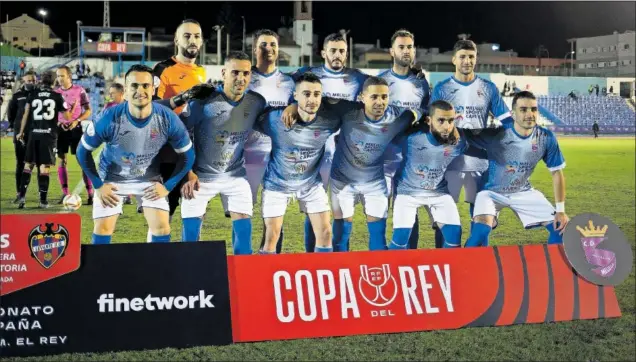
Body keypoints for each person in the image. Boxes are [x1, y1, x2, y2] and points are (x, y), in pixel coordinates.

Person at [76, 64, 195, 245]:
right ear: (125, 90)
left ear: (153, 88)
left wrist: (168, 186)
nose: (140, 90)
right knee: (103, 229)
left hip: (148, 178)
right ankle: (101, 271)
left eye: (145, 86)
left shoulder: (167, 118)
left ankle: (156, 271)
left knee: (162, 228)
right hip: (112, 178)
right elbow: (82, 151)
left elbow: (188, 155)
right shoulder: (108, 118)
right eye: (134, 86)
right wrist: (99, 185)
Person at [164, 51, 267, 255]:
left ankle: (241, 275)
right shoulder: (204, 101)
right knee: (190, 239)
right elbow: (178, 135)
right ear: (224, 73)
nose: (241, 78)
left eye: (246, 73)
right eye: (235, 72)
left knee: (244, 238)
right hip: (199, 177)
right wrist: (187, 172)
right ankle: (191, 275)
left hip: (236, 176)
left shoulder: (256, 102)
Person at [290, 33, 368, 252]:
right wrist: (291, 106)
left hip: (345, 153)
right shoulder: (309, 73)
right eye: (332, 50)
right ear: (324, 53)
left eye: (342, 51)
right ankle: (310, 257)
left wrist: (417, 75)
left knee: (342, 208)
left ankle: (340, 259)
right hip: (315, 152)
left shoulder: (358, 78)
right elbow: (282, 82)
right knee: (314, 207)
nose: (337, 55)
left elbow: (383, 86)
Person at [325, 76, 421, 252]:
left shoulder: (397, 117)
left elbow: (416, 113)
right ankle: (342, 273)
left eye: (384, 97)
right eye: (374, 97)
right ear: (362, 97)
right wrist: (293, 107)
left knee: (378, 237)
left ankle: (379, 274)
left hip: (374, 183)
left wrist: (419, 115)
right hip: (342, 182)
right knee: (340, 238)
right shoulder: (348, 110)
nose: (380, 102)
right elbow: (321, 101)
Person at [430, 39, 510, 247]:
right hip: (448, 162)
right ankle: (444, 260)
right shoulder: (442, 88)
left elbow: (507, 121)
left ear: (476, 59)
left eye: (471, 57)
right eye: (463, 56)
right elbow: (431, 124)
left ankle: (478, 261)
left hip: (480, 162)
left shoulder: (488, 88)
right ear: (454, 59)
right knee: (444, 217)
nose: (467, 61)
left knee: (481, 215)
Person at [464, 91, 569, 247]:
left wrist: (560, 210)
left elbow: (557, 173)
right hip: (491, 192)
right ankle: (463, 266)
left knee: (561, 229)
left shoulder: (545, 138)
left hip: (522, 191)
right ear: (513, 114)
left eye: (533, 109)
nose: (529, 114)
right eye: (523, 109)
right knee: (480, 232)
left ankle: (551, 268)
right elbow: (461, 136)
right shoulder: (497, 135)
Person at [257, 72, 340, 254]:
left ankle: (320, 276)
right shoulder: (275, 119)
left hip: (310, 183)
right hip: (277, 183)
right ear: (295, 95)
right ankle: (263, 278)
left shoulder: (330, 121)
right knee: (272, 235)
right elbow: (249, 117)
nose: (312, 99)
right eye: (306, 94)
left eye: (317, 94)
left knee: (326, 233)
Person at [150, 19, 206, 230]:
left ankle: (188, 258)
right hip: (168, 152)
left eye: (197, 36)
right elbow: (153, 107)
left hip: (193, 152)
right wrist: (182, 99)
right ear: (176, 40)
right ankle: (157, 258)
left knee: (194, 210)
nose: (192, 40)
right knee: (164, 215)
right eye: (187, 36)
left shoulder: (201, 72)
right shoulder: (163, 69)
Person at [390, 100, 468, 249]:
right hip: (407, 193)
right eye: (441, 120)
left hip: (438, 192)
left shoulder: (458, 142)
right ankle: (390, 269)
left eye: (451, 121)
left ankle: (447, 270)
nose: (447, 126)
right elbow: (392, 131)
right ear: (429, 120)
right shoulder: (411, 138)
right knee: (400, 241)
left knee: (454, 238)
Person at [377, 29, 430, 249]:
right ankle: (380, 260)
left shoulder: (421, 83)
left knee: (409, 211)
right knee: (379, 211)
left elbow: (427, 112)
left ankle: (410, 259)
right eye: (401, 47)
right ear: (392, 51)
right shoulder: (381, 80)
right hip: (385, 156)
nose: (406, 51)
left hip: (411, 158)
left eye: (409, 47)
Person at [245, 29, 296, 254]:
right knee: (243, 213)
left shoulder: (288, 82)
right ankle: (243, 259)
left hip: (277, 157)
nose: (269, 49)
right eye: (264, 45)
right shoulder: (244, 77)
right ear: (255, 49)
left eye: (273, 45)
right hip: (245, 155)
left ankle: (270, 260)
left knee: (275, 215)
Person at [15, 71, 76, 209]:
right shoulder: (57, 96)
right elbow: (67, 117)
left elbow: (26, 114)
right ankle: (43, 201)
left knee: (28, 165)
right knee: (44, 167)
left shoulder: (33, 95)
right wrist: (72, 107)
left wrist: (21, 132)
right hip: (48, 136)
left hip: (33, 134)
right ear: (54, 82)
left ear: (41, 81)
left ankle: (22, 198)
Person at [54, 65, 94, 205]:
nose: (59, 78)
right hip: (60, 130)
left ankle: (90, 194)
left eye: (62, 75)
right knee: (61, 160)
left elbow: (88, 110)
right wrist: (58, 123)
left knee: (82, 161)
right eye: (58, 76)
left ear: (69, 76)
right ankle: (65, 194)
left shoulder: (79, 90)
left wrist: (76, 120)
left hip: (76, 129)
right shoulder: (55, 93)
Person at [6, 71, 38, 203]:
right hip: (21, 135)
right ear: (24, 80)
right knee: (20, 164)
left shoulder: (39, 95)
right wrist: (18, 127)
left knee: (38, 165)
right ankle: (19, 193)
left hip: (37, 134)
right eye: (28, 80)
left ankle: (42, 195)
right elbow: (11, 114)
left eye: (33, 80)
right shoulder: (17, 96)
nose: (31, 82)